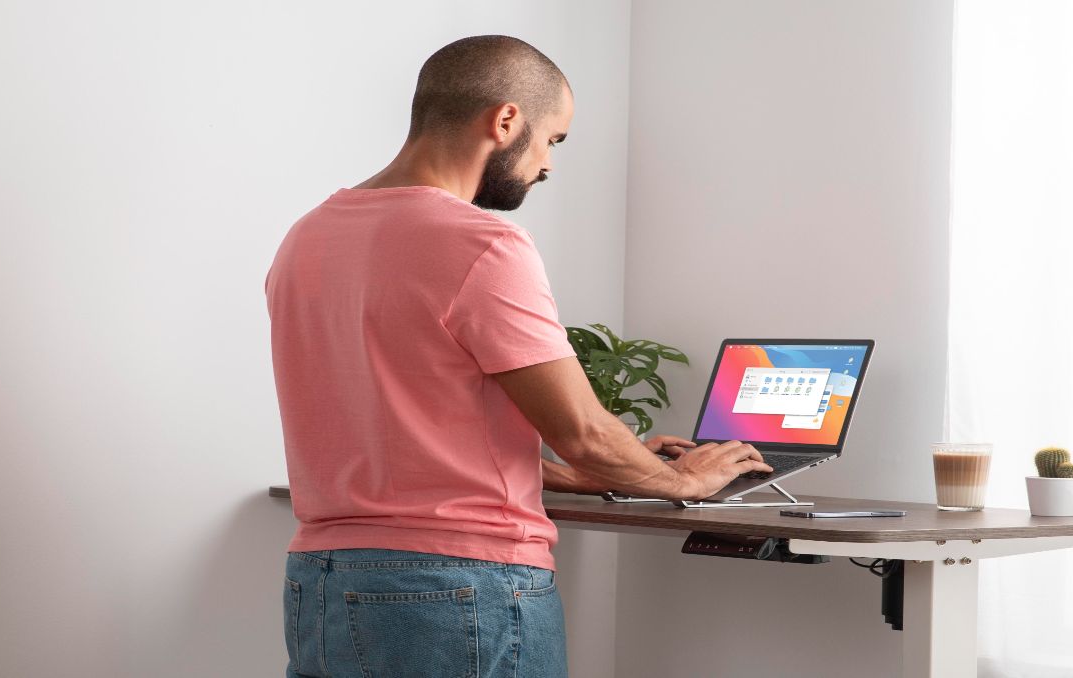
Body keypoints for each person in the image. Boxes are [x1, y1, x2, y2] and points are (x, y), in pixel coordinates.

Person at [265, 34, 772, 678]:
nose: (549, 164)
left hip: (321, 581)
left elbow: (417, 437)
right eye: (552, 140)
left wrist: (586, 476)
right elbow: (582, 431)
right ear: (506, 120)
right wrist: (687, 481)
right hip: (458, 589)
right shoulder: (483, 244)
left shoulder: (307, 237)